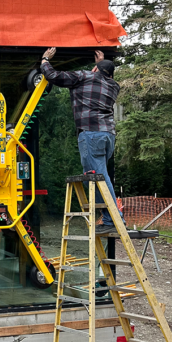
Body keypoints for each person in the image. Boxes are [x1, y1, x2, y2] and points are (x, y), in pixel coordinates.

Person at [40, 47, 124, 233]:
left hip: (90, 134)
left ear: (95, 69)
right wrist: (99, 65)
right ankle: (109, 216)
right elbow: (102, 78)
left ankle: (113, 220)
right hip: (108, 135)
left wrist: (45, 59)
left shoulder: (84, 77)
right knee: (96, 178)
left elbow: (54, 75)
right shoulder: (113, 86)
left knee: (98, 178)